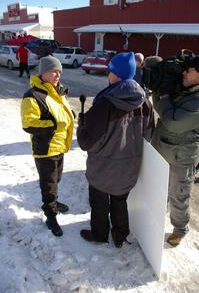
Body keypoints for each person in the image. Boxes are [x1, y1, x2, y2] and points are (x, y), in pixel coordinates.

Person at [77, 52, 154, 248]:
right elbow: (148, 134)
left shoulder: (105, 103)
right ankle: (120, 236)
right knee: (120, 202)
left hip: (103, 167)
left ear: (117, 74)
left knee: (99, 202)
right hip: (129, 167)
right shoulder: (145, 102)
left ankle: (99, 234)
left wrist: (81, 127)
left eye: (109, 71)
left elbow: (86, 143)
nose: (107, 76)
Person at [20, 55, 74, 236]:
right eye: (53, 71)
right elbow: (29, 124)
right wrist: (54, 125)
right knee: (48, 185)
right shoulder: (33, 96)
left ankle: (54, 203)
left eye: (59, 71)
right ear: (43, 73)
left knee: (56, 179)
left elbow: (61, 113)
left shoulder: (58, 92)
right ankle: (50, 215)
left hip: (59, 146)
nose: (57, 74)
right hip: (45, 149)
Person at [151, 56, 199, 246]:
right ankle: (154, 219)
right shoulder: (183, 90)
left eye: (189, 71)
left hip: (182, 157)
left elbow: (173, 122)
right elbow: (159, 107)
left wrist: (164, 98)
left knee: (179, 194)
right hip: (163, 149)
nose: (184, 73)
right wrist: (161, 89)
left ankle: (180, 229)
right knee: (158, 189)